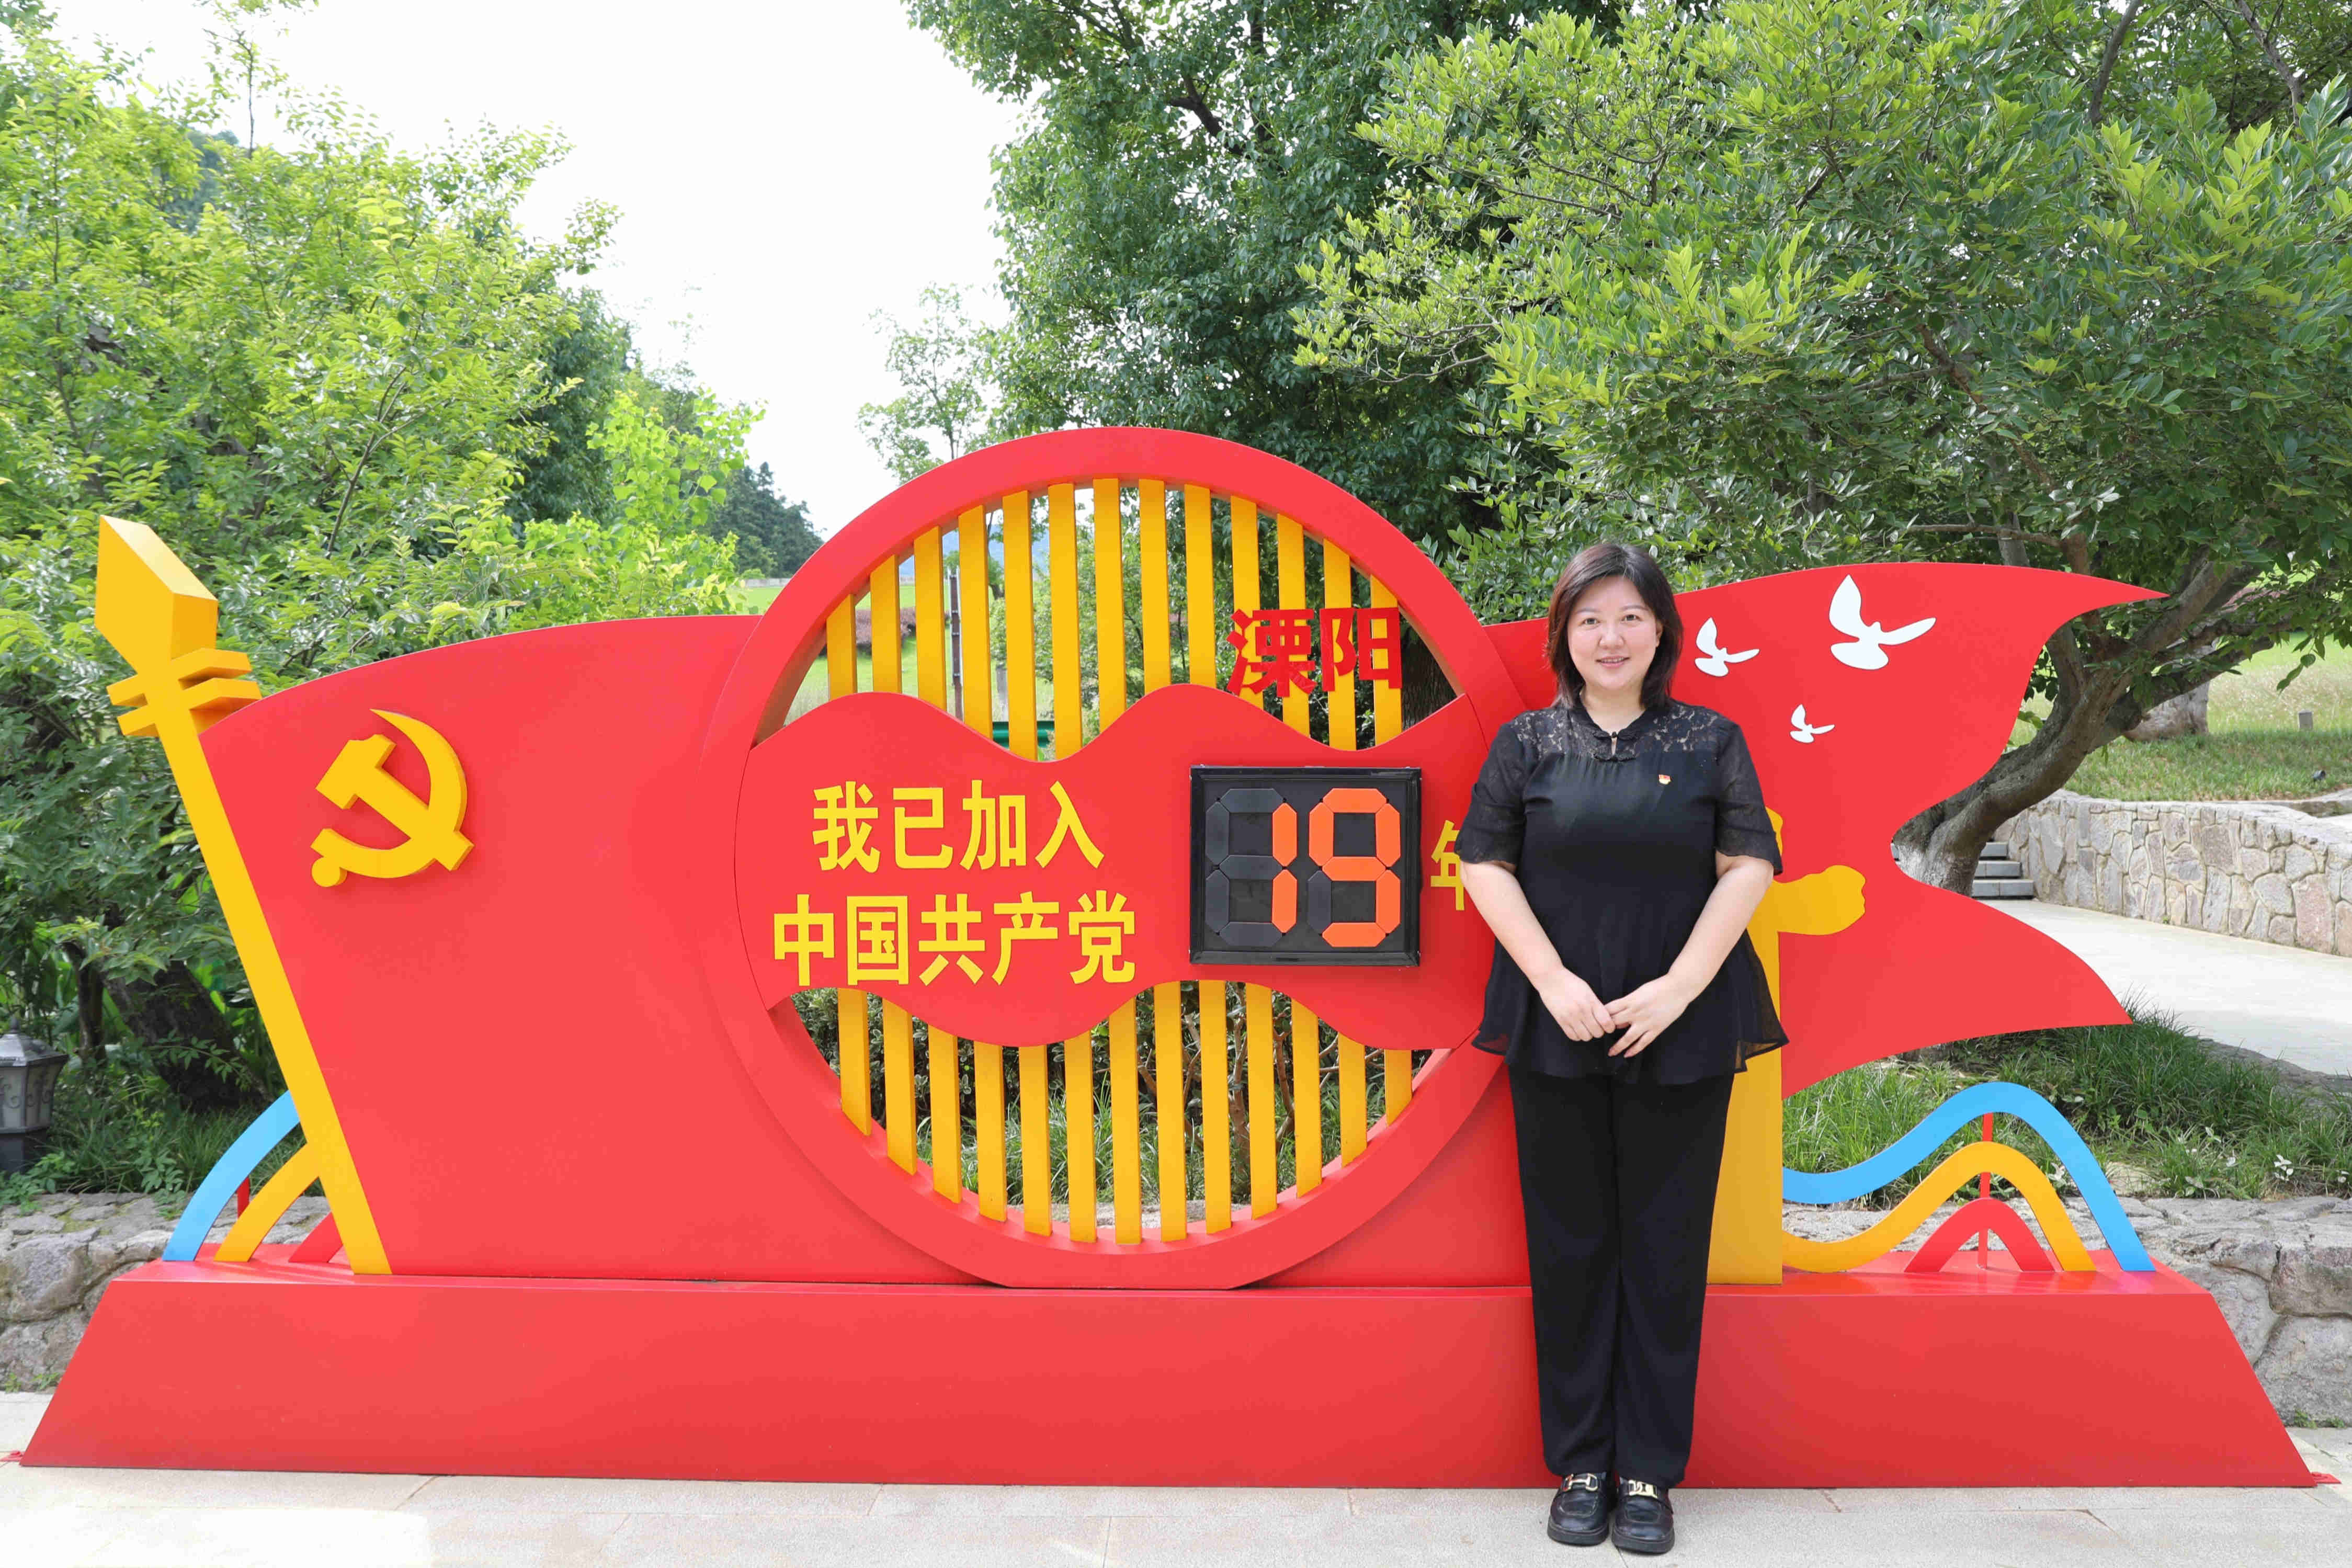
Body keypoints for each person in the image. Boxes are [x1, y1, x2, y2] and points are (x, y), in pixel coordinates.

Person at [1455, 542, 1782, 1555]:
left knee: (1664, 1247)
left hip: (1681, 1024)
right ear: (1562, 633)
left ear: (1661, 632)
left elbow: (1747, 863)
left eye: (1630, 616)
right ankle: (1580, 1464)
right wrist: (1552, 980)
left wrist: (1678, 988)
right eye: (1590, 617)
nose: (1610, 636)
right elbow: (1482, 861)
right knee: (1570, 1246)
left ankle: (1646, 1471)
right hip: (1555, 1021)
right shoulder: (1525, 743)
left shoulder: (1709, 739)